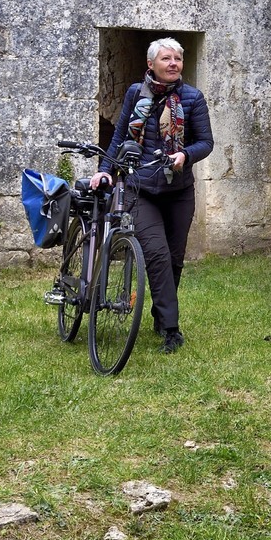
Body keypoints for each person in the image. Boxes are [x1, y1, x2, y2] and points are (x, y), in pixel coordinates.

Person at [89, 38, 213, 354]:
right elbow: (119, 137)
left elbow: (206, 142)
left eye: (178, 59)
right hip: (140, 189)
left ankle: (161, 316)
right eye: (167, 59)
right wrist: (106, 170)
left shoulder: (192, 98)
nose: (174, 64)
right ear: (151, 64)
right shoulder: (135, 94)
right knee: (156, 253)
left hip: (179, 191)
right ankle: (172, 330)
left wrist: (185, 154)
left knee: (173, 259)